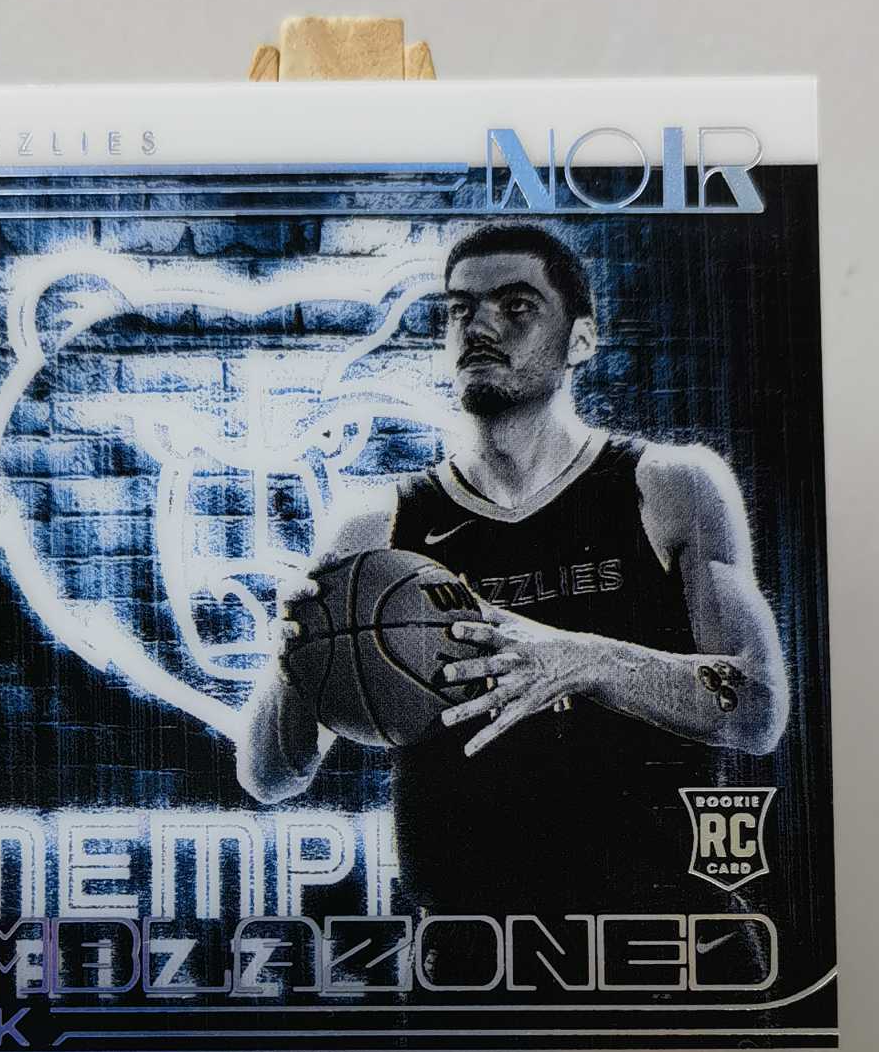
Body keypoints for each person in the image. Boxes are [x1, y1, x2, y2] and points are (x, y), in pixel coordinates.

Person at [236, 222, 789, 928]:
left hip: (661, 940)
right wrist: (293, 659)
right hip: (471, 954)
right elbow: (269, 778)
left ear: (580, 339)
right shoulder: (378, 531)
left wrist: (584, 660)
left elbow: (758, 710)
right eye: (459, 309)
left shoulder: (668, 487)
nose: (479, 326)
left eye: (516, 306)